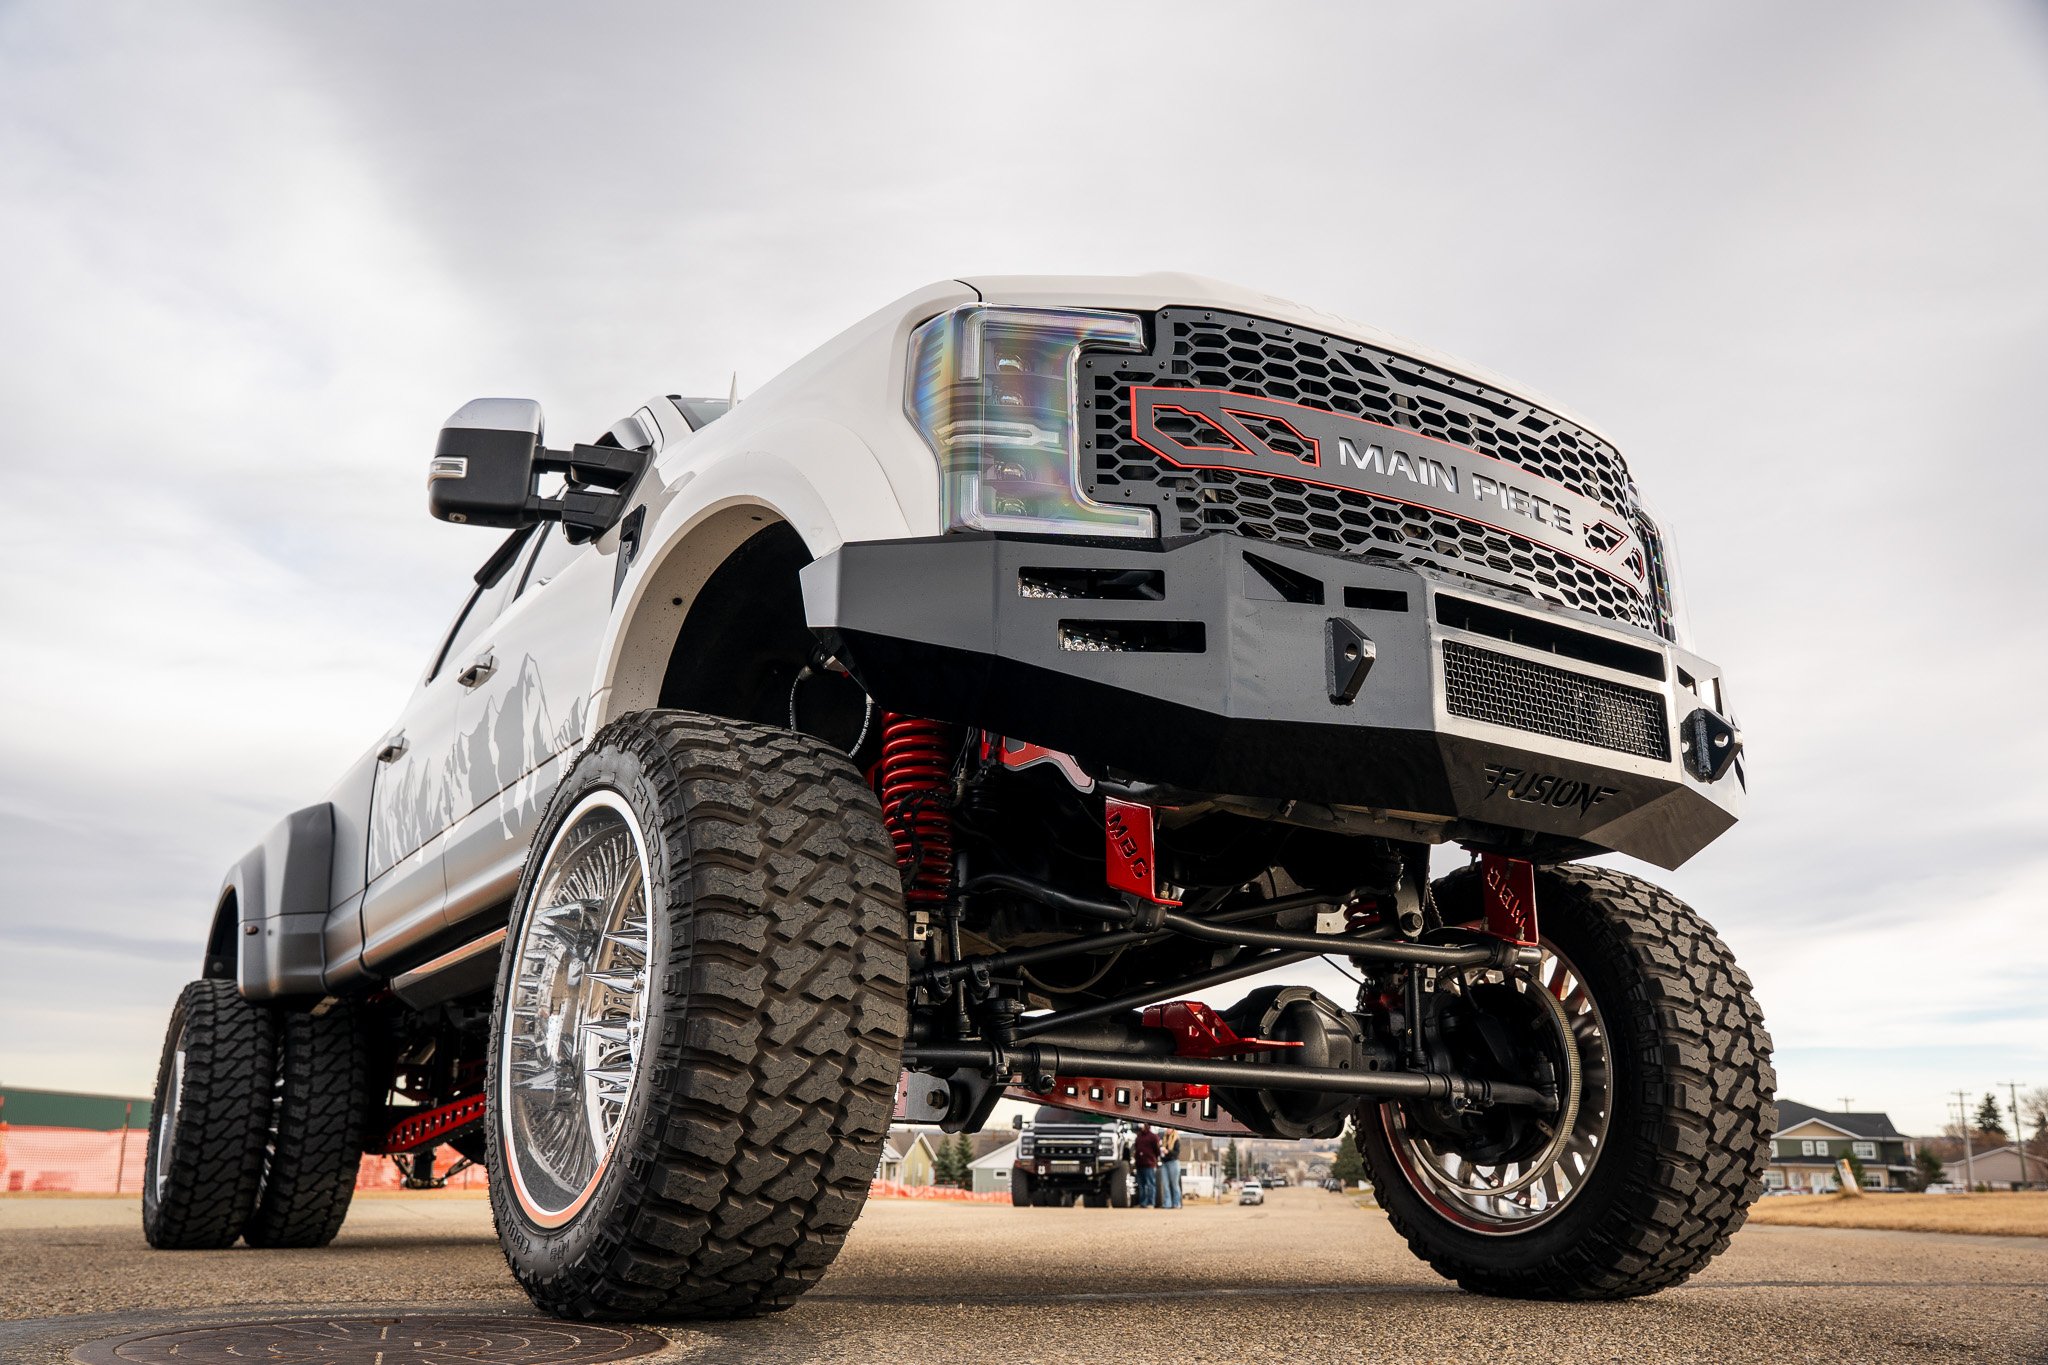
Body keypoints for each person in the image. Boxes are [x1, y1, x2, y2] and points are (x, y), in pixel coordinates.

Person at [1133, 1123, 1162, 1208]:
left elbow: (1157, 1151)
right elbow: (1136, 1148)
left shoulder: (1153, 1136)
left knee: (1150, 1184)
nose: (1141, 1126)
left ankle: (1150, 1203)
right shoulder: (1138, 1136)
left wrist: (1153, 1160)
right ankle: (1143, 1203)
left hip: (1149, 1164)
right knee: (1141, 1185)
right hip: (1139, 1164)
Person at [1159, 1126, 1183, 1209]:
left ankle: (1177, 1203)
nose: (1168, 1129)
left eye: (1169, 1128)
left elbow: (1176, 1153)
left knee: (1174, 1184)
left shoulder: (1176, 1140)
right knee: (1165, 1185)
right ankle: (1167, 1204)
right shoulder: (1163, 1138)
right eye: (1167, 1128)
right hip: (1164, 1163)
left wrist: (1167, 1151)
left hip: (1173, 1163)